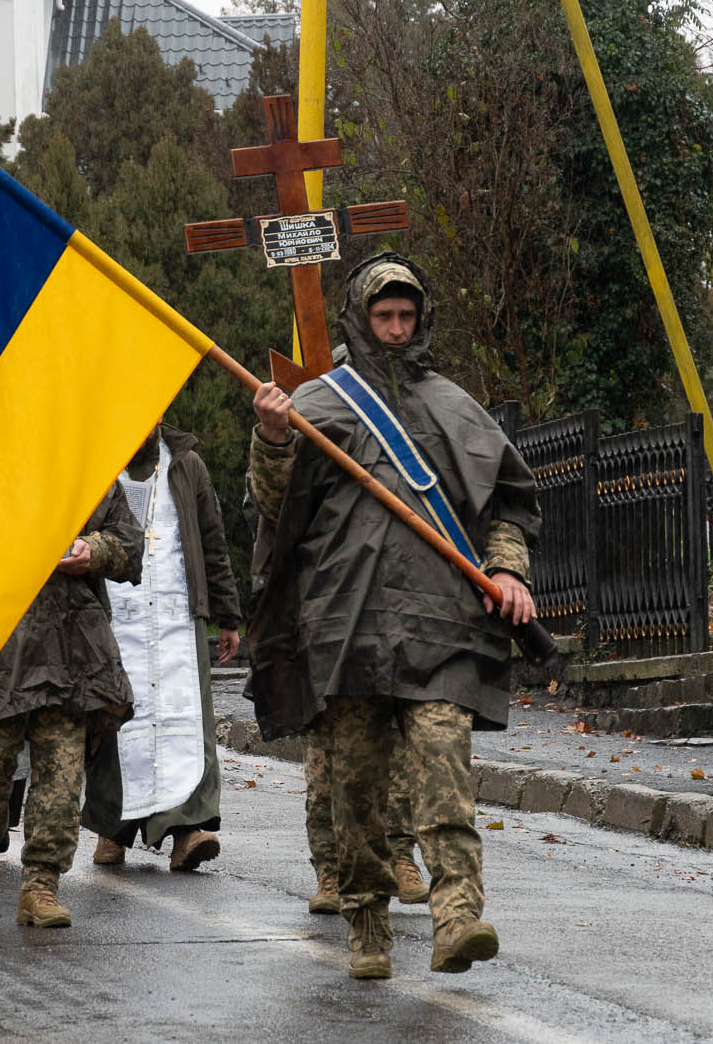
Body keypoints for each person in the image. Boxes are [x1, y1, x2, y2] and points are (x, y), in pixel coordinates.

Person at [247, 253, 539, 980]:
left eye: (408, 316)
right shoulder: (320, 404)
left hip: (440, 627)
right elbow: (274, 508)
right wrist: (274, 438)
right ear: (362, 318)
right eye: (385, 316)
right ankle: (367, 919)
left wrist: (508, 567)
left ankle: (456, 918)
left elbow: (504, 500)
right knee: (357, 791)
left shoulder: (455, 405)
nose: (398, 328)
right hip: (346, 628)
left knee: (445, 777)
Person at [0, 489, 141, 929]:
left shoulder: (90, 468)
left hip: (71, 644)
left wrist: (95, 550)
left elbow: (129, 544)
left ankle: (41, 884)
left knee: (62, 779)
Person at [83, 424, 242, 873]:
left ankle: (187, 829)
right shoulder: (96, 464)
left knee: (185, 724)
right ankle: (112, 827)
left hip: (177, 617)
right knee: (116, 719)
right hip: (113, 617)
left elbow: (213, 541)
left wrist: (227, 615)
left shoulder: (186, 464)